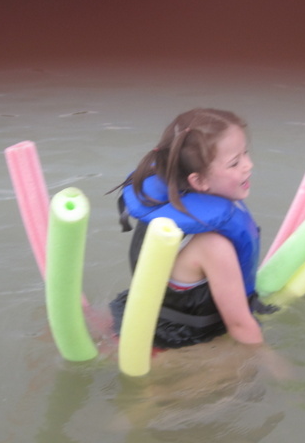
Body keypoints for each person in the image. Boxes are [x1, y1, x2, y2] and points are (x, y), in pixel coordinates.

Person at [109, 108, 276, 349]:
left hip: (136, 314)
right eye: (235, 163)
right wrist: (270, 362)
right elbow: (240, 326)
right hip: (180, 344)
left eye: (246, 153)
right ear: (199, 181)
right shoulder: (214, 246)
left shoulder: (159, 209)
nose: (249, 165)